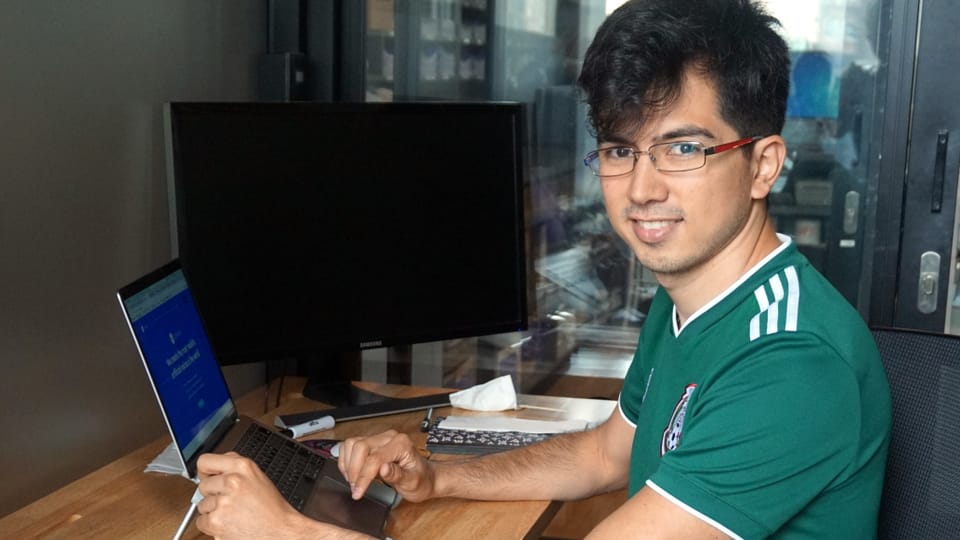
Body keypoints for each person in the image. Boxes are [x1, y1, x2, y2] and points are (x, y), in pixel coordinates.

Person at [194, 1, 892, 538]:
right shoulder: (692, 296)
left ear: (763, 164)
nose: (642, 188)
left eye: (682, 148)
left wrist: (287, 530)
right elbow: (605, 456)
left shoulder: (791, 362)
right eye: (621, 150)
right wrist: (437, 479)